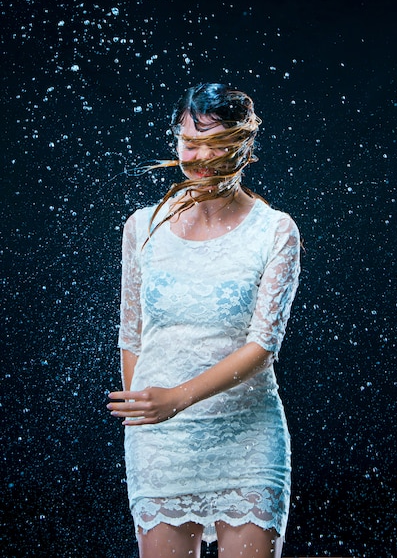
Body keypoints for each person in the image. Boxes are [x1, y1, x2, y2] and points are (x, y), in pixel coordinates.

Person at [107, 83, 301, 558]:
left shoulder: (275, 229)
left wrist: (177, 399)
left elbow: (263, 345)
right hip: (161, 441)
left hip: (247, 435)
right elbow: (131, 334)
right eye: (190, 143)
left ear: (244, 147)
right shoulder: (142, 226)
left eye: (218, 145)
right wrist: (143, 420)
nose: (200, 158)